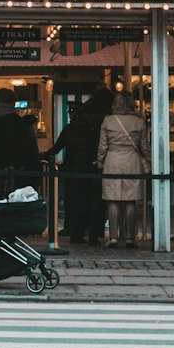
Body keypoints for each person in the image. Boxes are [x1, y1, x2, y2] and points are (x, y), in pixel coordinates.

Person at [48, 86, 111, 246]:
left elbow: (64, 142)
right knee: (96, 200)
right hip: (96, 164)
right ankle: (93, 234)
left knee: (78, 200)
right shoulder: (105, 116)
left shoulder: (81, 116)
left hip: (76, 164)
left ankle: (76, 232)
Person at [97, 90, 150, 248]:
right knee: (130, 201)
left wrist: (100, 162)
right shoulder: (138, 122)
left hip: (112, 160)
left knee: (112, 200)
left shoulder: (108, 121)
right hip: (132, 162)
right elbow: (144, 147)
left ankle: (113, 237)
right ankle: (129, 238)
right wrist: (150, 160)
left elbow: (103, 145)